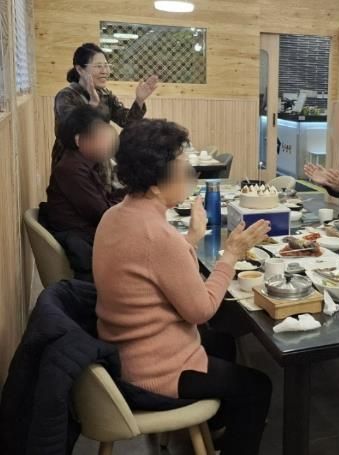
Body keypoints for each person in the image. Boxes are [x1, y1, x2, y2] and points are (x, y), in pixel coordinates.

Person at [93, 119, 272, 455]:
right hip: (152, 373)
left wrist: (190, 239)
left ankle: (215, 429)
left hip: (121, 351)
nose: (190, 176)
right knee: (257, 387)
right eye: (184, 168)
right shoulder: (158, 236)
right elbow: (202, 310)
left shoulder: (115, 215)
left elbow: (152, 269)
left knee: (222, 342)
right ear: (157, 181)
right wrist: (231, 255)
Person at [52, 43, 158, 181]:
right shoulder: (66, 96)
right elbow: (69, 132)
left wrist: (139, 100)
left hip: (100, 161)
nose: (105, 71)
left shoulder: (105, 95)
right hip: (73, 166)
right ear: (80, 69)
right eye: (98, 66)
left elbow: (127, 122)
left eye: (106, 66)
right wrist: (92, 105)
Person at [44, 104, 119, 281]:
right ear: (79, 140)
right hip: (84, 243)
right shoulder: (72, 169)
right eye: (100, 137)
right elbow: (103, 214)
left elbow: (105, 202)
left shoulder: (85, 163)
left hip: (89, 235)